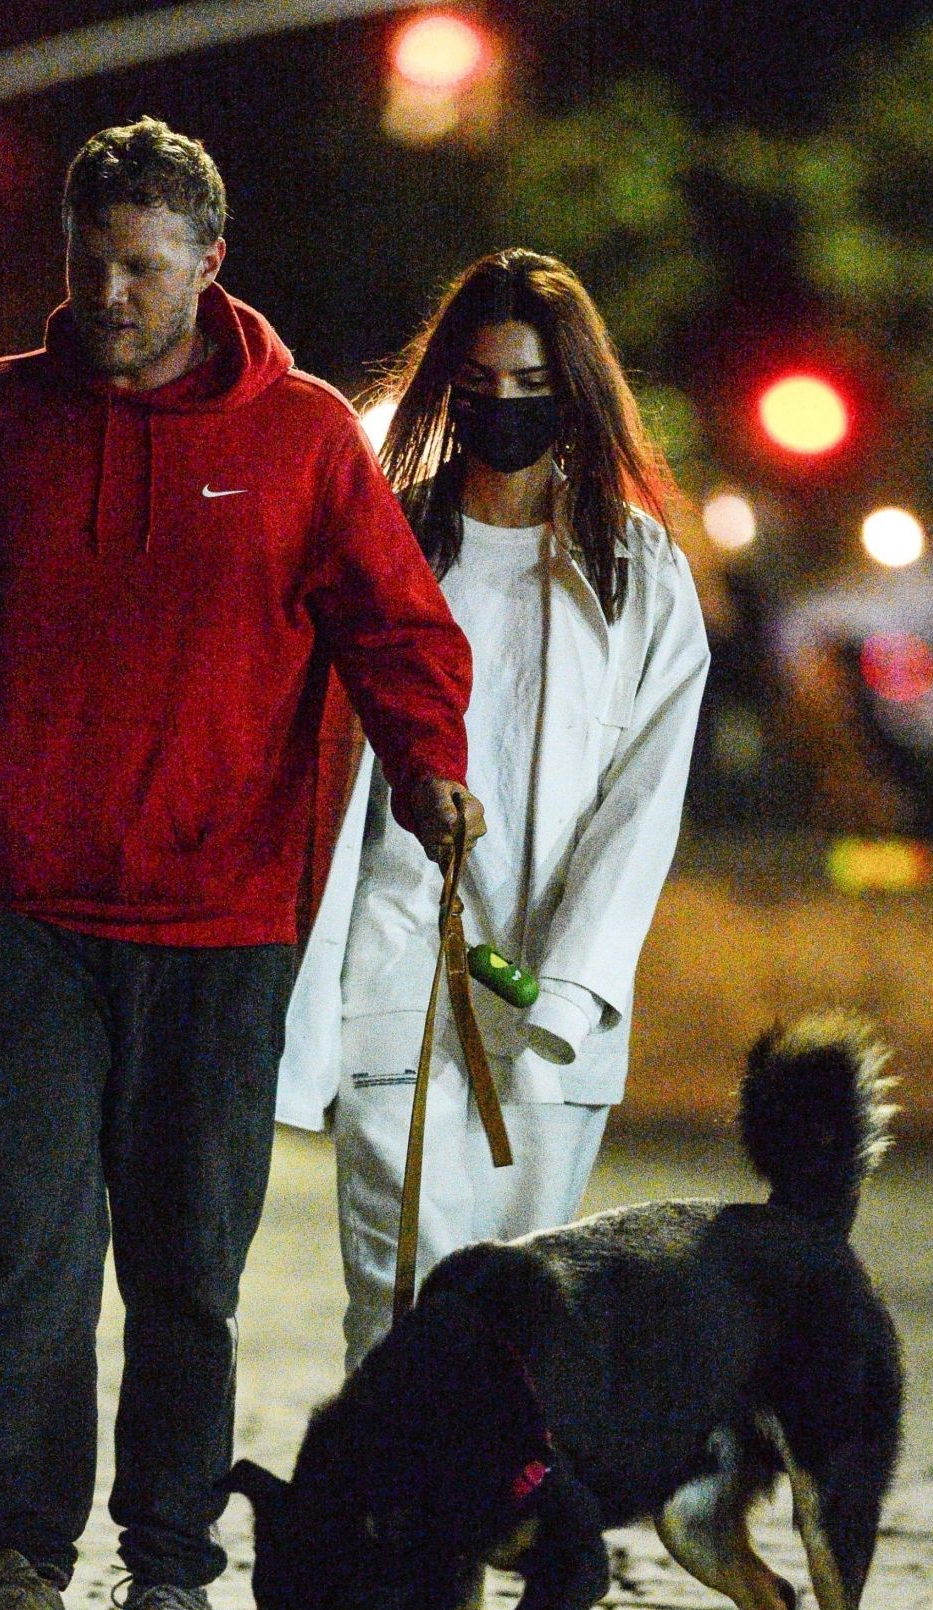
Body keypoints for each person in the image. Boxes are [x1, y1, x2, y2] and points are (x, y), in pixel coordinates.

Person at [0, 118, 484, 1610]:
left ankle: (172, 1585)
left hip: (222, 928)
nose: (113, 294)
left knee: (188, 1273)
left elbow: (395, 627)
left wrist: (430, 766)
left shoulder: (302, 439)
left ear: (213, 264)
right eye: (91, 263)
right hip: (20, 920)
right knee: (22, 1258)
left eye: (145, 265)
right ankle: (15, 1578)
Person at [277, 249, 710, 1372]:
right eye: (479, 385)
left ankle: (503, 1515)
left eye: (529, 387)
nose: (503, 411)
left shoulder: (638, 572)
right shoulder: (392, 543)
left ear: (572, 396)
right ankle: (397, 1530)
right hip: (397, 961)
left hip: (545, 991)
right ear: (443, 391)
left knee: (524, 1300)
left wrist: (570, 987)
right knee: (398, 1280)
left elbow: (641, 804)